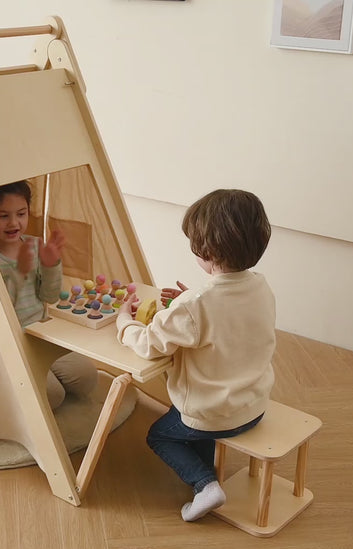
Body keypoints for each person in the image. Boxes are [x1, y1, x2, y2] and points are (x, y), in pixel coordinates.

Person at [115, 189, 276, 521]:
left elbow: (148, 344)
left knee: (159, 435)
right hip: (254, 405)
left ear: (204, 249)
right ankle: (207, 471)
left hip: (213, 413)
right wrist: (190, 300)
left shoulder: (195, 306)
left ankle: (205, 485)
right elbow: (228, 320)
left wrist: (124, 322)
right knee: (195, 427)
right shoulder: (259, 286)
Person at [0, 180, 97, 407]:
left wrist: (51, 264)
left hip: (41, 332)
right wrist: (19, 271)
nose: (14, 223)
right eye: (3, 216)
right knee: (52, 395)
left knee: (87, 378)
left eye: (21, 214)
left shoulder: (34, 244)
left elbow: (49, 297)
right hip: (9, 340)